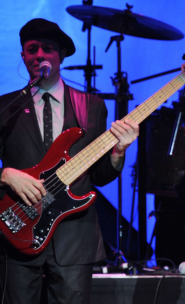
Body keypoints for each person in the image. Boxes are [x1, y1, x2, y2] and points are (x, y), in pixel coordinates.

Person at [0, 18, 139, 304]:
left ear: (61, 55)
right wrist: (5, 175)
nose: (40, 54)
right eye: (32, 48)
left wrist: (118, 153)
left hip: (74, 237)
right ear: (23, 56)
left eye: (48, 48)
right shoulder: (6, 107)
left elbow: (99, 176)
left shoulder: (91, 106)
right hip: (17, 230)